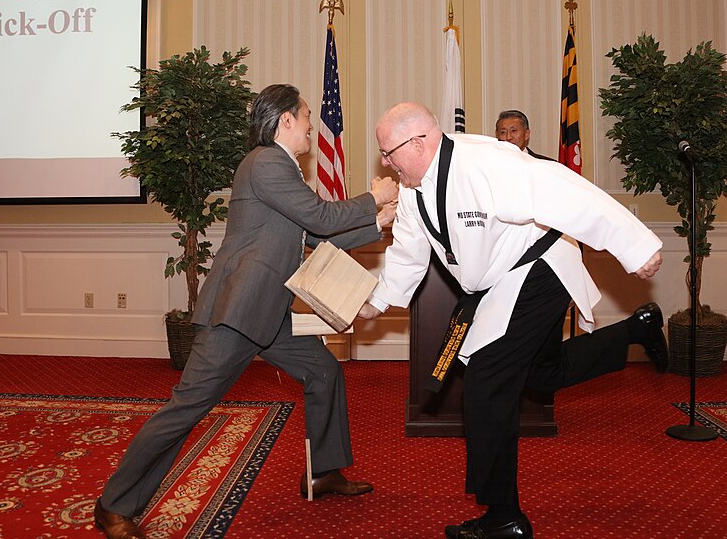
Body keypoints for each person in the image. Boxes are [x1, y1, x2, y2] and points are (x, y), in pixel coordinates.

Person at [94, 84, 399, 539]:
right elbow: (319, 218)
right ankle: (114, 505)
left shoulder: (284, 170)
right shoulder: (267, 162)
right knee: (188, 406)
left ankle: (323, 470)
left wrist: (374, 225)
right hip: (237, 312)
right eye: (307, 115)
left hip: (267, 311)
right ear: (285, 120)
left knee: (323, 373)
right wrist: (373, 198)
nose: (313, 124)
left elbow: (312, 238)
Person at [358, 102, 667, 539]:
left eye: (389, 152)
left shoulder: (486, 160)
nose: (385, 163)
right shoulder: (412, 190)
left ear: (420, 141)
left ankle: (504, 517)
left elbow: (565, 189)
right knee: (544, 372)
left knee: (486, 381)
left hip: (539, 268)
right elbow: (408, 254)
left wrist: (635, 246)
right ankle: (638, 329)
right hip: (501, 283)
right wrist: (377, 301)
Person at [494, 108, 669, 370]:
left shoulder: (548, 170)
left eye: (514, 131)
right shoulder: (488, 174)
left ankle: (636, 328)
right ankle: (636, 328)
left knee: (534, 365)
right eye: (502, 132)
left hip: (547, 275)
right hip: (505, 277)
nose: (508, 137)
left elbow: (582, 215)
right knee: (544, 369)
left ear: (527, 135)